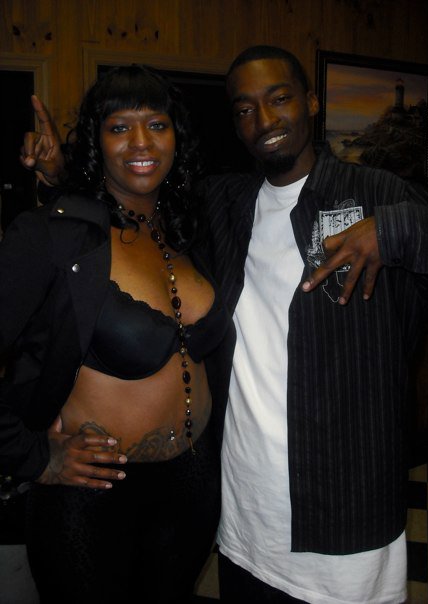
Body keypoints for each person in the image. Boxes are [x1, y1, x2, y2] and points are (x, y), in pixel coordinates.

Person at [20, 47, 428, 604]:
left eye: (280, 99)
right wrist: (62, 179)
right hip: (243, 517)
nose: (264, 120)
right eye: (245, 109)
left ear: (311, 102)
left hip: (343, 515)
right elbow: (133, 198)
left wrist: (394, 231)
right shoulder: (224, 203)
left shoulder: (379, 195)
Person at [2, 63, 233, 603]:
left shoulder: (190, 229)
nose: (140, 142)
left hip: (194, 489)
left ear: (177, 136)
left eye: (156, 124)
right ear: (97, 141)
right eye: (119, 127)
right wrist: (34, 456)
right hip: (91, 496)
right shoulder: (51, 235)